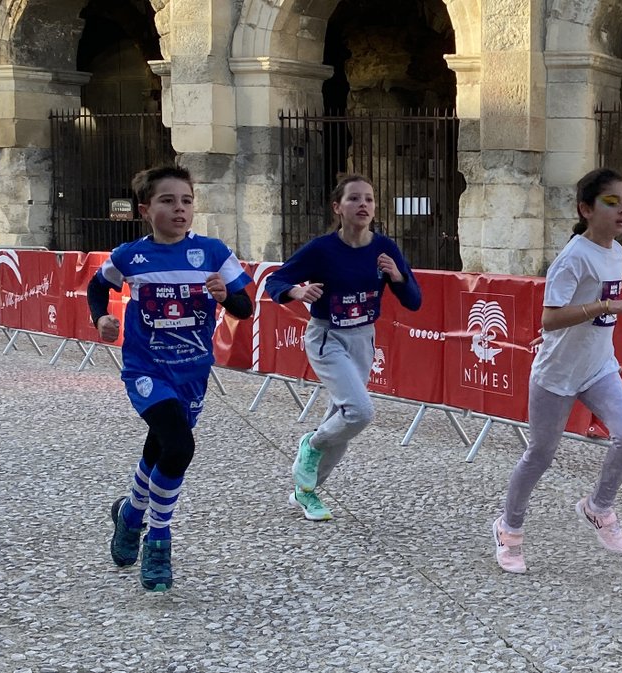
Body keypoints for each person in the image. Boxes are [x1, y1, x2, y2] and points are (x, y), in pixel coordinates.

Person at [87, 165, 254, 592]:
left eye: (186, 200)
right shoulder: (130, 256)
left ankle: (129, 516)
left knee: (160, 447)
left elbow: (244, 308)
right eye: (167, 201)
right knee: (180, 446)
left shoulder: (213, 252)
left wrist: (226, 296)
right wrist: (102, 316)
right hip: (146, 370)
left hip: (192, 373)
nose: (179, 209)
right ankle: (158, 541)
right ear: (146, 210)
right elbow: (96, 286)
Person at [491, 168, 622, 574]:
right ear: (586, 209)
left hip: (598, 368)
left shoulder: (615, 252)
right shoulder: (573, 257)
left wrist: (606, 311)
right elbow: (549, 319)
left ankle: (598, 507)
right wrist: (604, 307)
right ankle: (508, 530)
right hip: (556, 375)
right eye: (611, 202)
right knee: (540, 456)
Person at [264, 174, 422, 522]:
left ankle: (306, 491)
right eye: (354, 199)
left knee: (342, 421)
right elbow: (275, 280)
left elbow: (414, 301)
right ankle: (312, 444)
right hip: (327, 337)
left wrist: (398, 277)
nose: (362, 204)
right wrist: (296, 292)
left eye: (368, 198)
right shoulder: (322, 249)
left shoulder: (384, 248)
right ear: (338, 207)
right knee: (359, 412)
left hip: (362, 338)